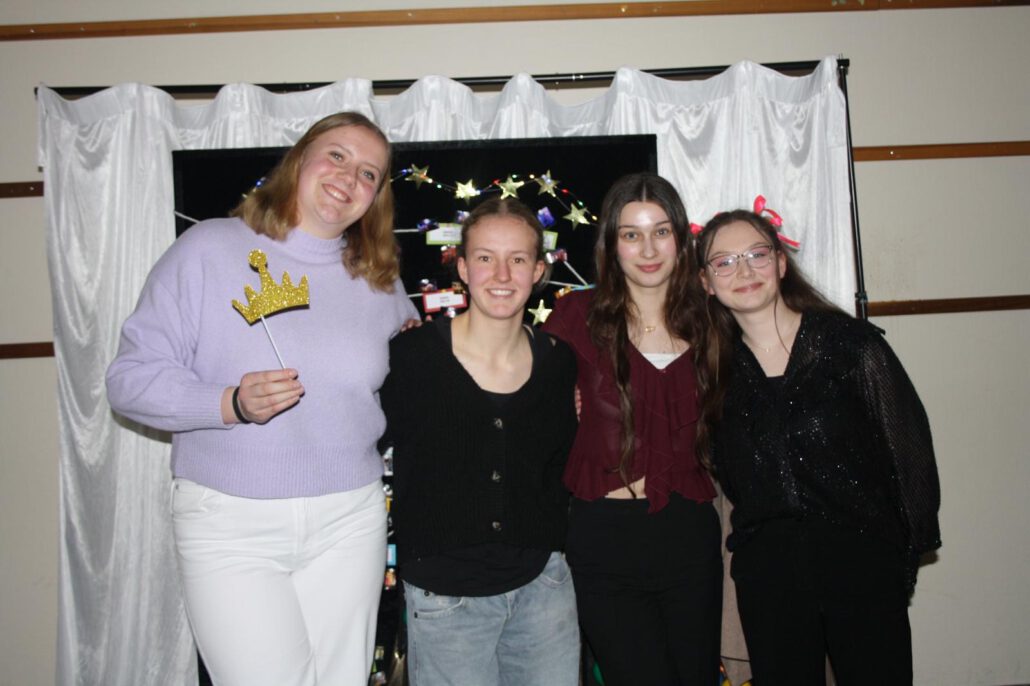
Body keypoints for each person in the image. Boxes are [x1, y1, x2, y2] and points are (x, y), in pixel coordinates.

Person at [106, 112, 418, 686]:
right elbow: (128, 381)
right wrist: (229, 403)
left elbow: (422, 376)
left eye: (369, 173)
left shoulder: (380, 278)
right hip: (230, 522)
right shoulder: (208, 247)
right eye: (337, 156)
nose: (349, 178)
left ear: (375, 197)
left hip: (350, 519)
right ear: (300, 159)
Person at [694, 208, 942, 685]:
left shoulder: (850, 345)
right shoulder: (713, 371)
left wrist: (900, 557)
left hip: (863, 563)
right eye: (724, 262)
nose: (743, 271)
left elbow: (911, 456)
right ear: (706, 282)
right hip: (769, 576)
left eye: (756, 254)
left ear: (780, 262)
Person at [380, 197, 581, 686]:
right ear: (463, 268)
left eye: (518, 259)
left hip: (544, 589)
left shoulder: (558, 363)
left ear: (538, 271)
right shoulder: (410, 357)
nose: (502, 275)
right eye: (486, 258)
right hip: (446, 600)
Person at [542, 173, 722, 686]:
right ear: (611, 243)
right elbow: (518, 386)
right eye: (631, 234)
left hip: (689, 536)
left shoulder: (713, 320)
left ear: (681, 239)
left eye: (660, 231)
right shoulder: (575, 316)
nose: (647, 249)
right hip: (604, 541)